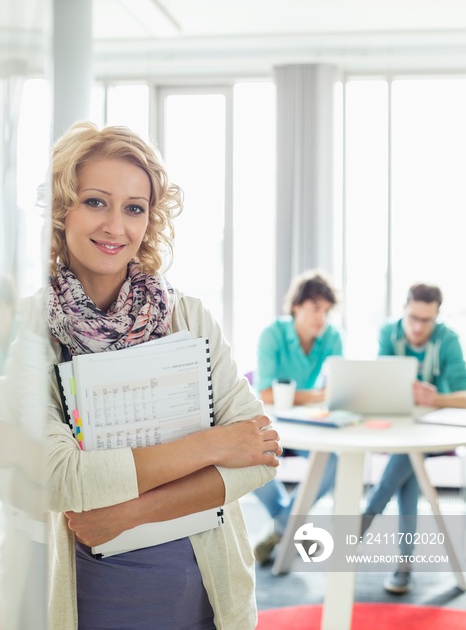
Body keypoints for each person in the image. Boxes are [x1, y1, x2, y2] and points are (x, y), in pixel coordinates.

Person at [43, 122, 282, 630]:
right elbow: (61, 478)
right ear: (63, 208)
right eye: (95, 201)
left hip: (205, 590)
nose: (116, 226)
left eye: (134, 207)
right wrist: (214, 445)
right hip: (93, 595)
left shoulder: (187, 316)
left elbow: (260, 453)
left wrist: (127, 513)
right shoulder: (28, 331)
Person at [362, 283, 466, 595]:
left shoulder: (447, 341)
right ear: (405, 310)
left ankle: (367, 518)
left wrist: (438, 399)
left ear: (437, 317)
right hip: (397, 431)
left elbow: (463, 396)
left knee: (407, 460)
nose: (418, 327)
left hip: (434, 433)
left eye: (427, 320)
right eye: (413, 318)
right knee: (408, 473)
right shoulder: (388, 334)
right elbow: (379, 384)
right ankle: (403, 565)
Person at [252, 269, 343, 564]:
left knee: (333, 461)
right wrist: (315, 395)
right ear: (296, 306)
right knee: (249, 459)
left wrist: (314, 397)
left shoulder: (331, 337)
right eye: (316, 308)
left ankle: (283, 524)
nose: (322, 317)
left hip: (306, 421)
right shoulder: (272, 334)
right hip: (272, 421)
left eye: (327, 311)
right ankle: (291, 524)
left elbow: (338, 387)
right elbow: (265, 392)